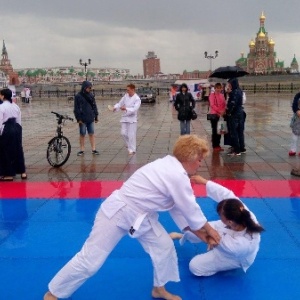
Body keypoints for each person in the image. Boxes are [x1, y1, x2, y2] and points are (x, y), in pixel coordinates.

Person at [43, 135, 221, 300]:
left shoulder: (171, 166)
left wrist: (203, 235)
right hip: (117, 211)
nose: (200, 164)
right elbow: (191, 209)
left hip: (141, 216)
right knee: (91, 260)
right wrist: (211, 231)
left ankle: (159, 288)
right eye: (199, 160)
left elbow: (180, 210)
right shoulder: (175, 175)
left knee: (164, 246)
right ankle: (54, 292)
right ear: (188, 158)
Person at [170, 175, 264, 277]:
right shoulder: (239, 209)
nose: (219, 216)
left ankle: (222, 266)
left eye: (220, 215)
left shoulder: (242, 245)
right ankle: (181, 236)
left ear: (229, 222)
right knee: (195, 229)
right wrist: (205, 182)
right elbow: (226, 194)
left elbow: (214, 240)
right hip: (227, 230)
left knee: (194, 266)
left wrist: (207, 237)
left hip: (235, 257)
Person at [0, 88, 27, 181]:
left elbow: (0, 122)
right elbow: (19, 120)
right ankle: (22, 171)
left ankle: (8, 174)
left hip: (7, 128)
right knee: (18, 149)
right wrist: (18, 130)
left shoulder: (2, 107)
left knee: (6, 151)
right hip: (16, 127)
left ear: (3, 96)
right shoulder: (15, 106)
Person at [113, 83, 141, 155]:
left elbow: (134, 109)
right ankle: (129, 146)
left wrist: (126, 108)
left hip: (132, 118)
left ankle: (132, 149)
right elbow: (120, 103)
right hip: (125, 117)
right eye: (126, 90)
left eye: (128, 90)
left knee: (131, 135)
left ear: (133, 89)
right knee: (123, 133)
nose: (127, 91)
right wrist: (115, 108)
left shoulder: (137, 99)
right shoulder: (125, 96)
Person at [74, 81, 99, 156]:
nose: (90, 89)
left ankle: (93, 149)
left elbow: (94, 106)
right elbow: (76, 108)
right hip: (82, 118)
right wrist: (78, 118)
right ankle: (82, 149)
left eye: (90, 87)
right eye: (89, 87)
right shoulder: (78, 96)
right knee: (82, 134)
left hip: (90, 117)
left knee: (91, 133)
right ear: (85, 87)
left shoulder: (91, 95)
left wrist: (96, 116)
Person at [226, 78, 246, 156]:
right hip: (241, 112)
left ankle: (237, 150)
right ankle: (242, 148)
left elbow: (232, 104)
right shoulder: (240, 91)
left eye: (230, 84)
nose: (229, 85)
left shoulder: (234, 92)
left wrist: (228, 112)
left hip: (235, 114)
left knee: (234, 132)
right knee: (240, 132)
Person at [208, 83, 226, 151]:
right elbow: (212, 105)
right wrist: (219, 111)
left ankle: (218, 144)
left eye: (220, 88)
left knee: (220, 130)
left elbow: (224, 104)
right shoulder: (211, 95)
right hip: (214, 115)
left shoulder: (222, 95)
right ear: (215, 88)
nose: (218, 89)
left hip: (221, 115)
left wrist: (223, 111)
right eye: (217, 88)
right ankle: (215, 145)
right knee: (215, 130)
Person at [289, 92, 300, 156]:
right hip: (297, 119)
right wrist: (297, 110)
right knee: (295, 135)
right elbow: (294, 105)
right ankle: (293, 150)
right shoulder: (298, 95)